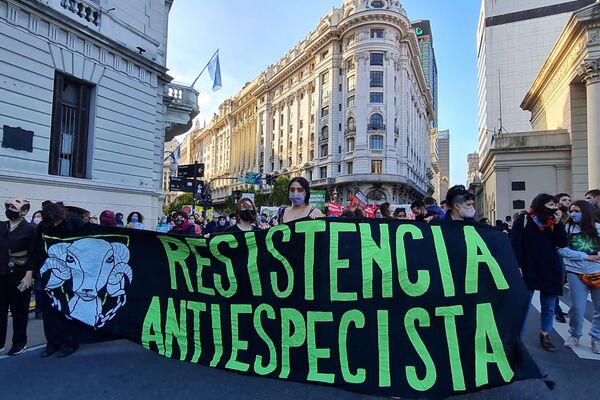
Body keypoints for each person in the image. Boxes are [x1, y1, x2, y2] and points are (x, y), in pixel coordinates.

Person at [511, 194, 568, 351]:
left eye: (555, 205)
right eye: (550, 205)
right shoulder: (523, 220)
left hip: (549, 268)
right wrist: (517, 266)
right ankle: (518, 337)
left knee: (549, 306)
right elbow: (515, 244)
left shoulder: (553, 223)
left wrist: (558, 224)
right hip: (528, 268)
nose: (554, 208)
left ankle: (545, 333)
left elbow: (562, 242)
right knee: (524, 304)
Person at [558, 200, 600, 353]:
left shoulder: (598, 228)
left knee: (599, 307)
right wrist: (586, 256)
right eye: (571, 211)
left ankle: (596, 338)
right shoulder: (567, 228)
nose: (573, 214)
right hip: (575, 272)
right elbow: (562, 250)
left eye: (577, 211)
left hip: (597, 272)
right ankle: (574, 334)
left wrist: (596, 257)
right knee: (577, 307)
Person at [0, 199, 37, 355]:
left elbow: (34, 253)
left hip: (20, 276)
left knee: (19, 311)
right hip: (1, 275)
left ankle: (19, 343)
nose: (10, 209)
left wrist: (29, 275)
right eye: (8, 207)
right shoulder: (2, 226)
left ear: (24, 211)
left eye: (13, 207)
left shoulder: (30, 229)